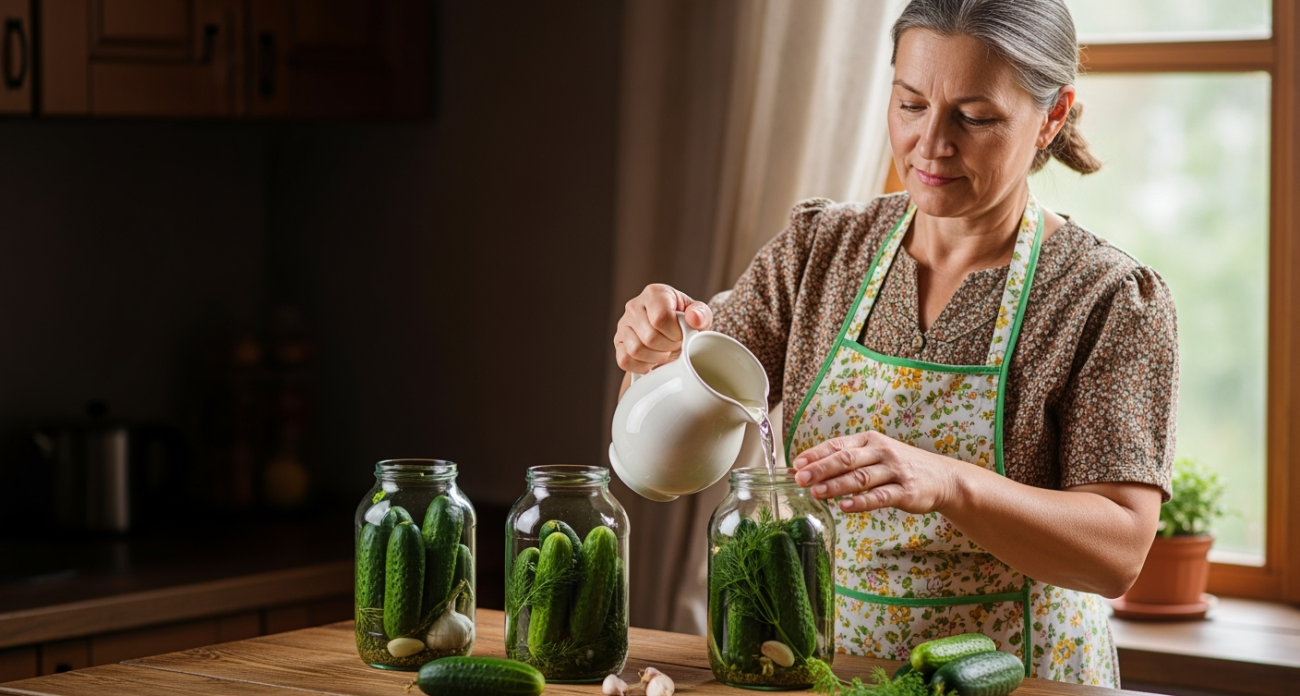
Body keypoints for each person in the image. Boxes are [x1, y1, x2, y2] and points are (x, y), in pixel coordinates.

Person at [613, 0, 1177, 687]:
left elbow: (1117, 550)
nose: (931, 144)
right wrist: (660, 354)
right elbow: (658, 467)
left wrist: (947, 482)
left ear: (1052, 116)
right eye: (910, 103)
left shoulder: (1106, 299)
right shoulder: (819, 251)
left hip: (1026, 678)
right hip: (828, 674)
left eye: (974, 117)